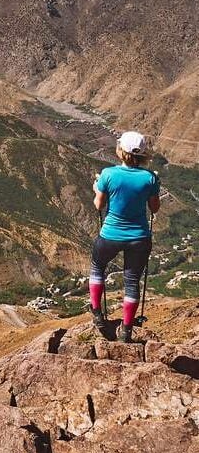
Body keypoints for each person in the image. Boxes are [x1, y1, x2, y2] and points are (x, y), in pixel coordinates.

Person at [90, 131, 160, 342]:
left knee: (97, 267)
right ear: (142, 155)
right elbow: (154, 209)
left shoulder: (108, 174)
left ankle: (97, 313)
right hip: (139, 237)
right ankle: (127, 328)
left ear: (120, 151)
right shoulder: (150, 178)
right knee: (131, 281)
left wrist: (96, 187)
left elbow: (99, 205)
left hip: (111, 234)